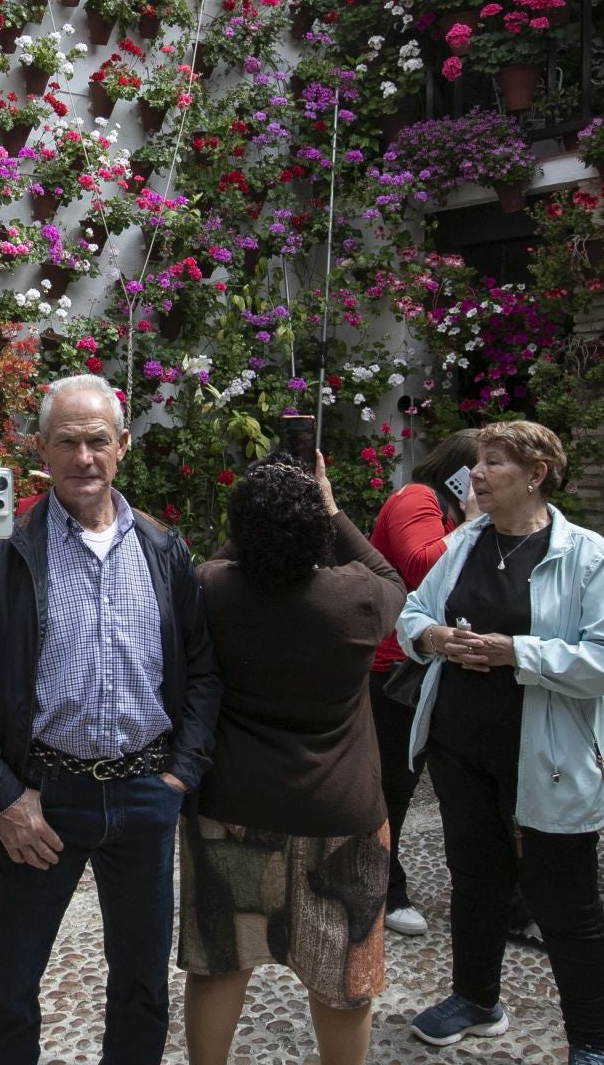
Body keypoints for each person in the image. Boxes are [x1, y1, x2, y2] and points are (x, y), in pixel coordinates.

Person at [0, 373, 221, 1065]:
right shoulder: (6, 553)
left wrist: (181, 775)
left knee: (141, 984)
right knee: (10, 985)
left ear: (122, 446)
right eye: (66, 442)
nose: (83, 457)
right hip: (42, 799)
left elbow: (203, 674)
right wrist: (5, 799)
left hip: (143, 796)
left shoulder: (164, 551)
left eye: (97, 441)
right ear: (42, 448)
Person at [396, 420, 604, 1065]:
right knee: (474, 880)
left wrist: (518, 654)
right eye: (478, 462)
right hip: (460, 745)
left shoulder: (589, 556)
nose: (476, 474)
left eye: (495, 463)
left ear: (536, 475)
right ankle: (476, 1000)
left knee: (565, 901)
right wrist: (433, 640)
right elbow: (413, 612)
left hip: (550, 757)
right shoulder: (465, 543)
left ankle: (592, 1044)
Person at [180, 455, 406, 1065]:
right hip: (341, 811)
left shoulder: (210, 588)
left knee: (221, 961)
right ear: (319, 531)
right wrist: (329, 508)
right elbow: (393, 576)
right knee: (343, 977)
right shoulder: (355, 599)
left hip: (233, 802)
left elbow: (228, 560)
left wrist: (257, 515)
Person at [366, 427, 480, 937]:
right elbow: (419, 565)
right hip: (396, 669)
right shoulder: (417, 497)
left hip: (441, 665)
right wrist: (476, 523)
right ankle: (384, 889)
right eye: (487, 465)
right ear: (462, 470)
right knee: (393, 785)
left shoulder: (456, 514)